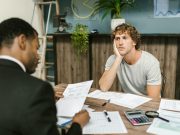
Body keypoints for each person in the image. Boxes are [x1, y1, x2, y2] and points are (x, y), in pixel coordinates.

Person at [0, 18, 90, 135]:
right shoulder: (37, 90)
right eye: (36, 48)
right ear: (22, 41)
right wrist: (78, 124)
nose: (38, 56)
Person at [99, 23, 162, 98]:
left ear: (134, 42)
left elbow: (153, 100)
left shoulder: (151, 62)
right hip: (128, 102)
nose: (120, 43)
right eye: (117, 38)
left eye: (124, 38)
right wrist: (119, 58)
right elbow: (103, 87)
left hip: (147, 105)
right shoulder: (113, 59)